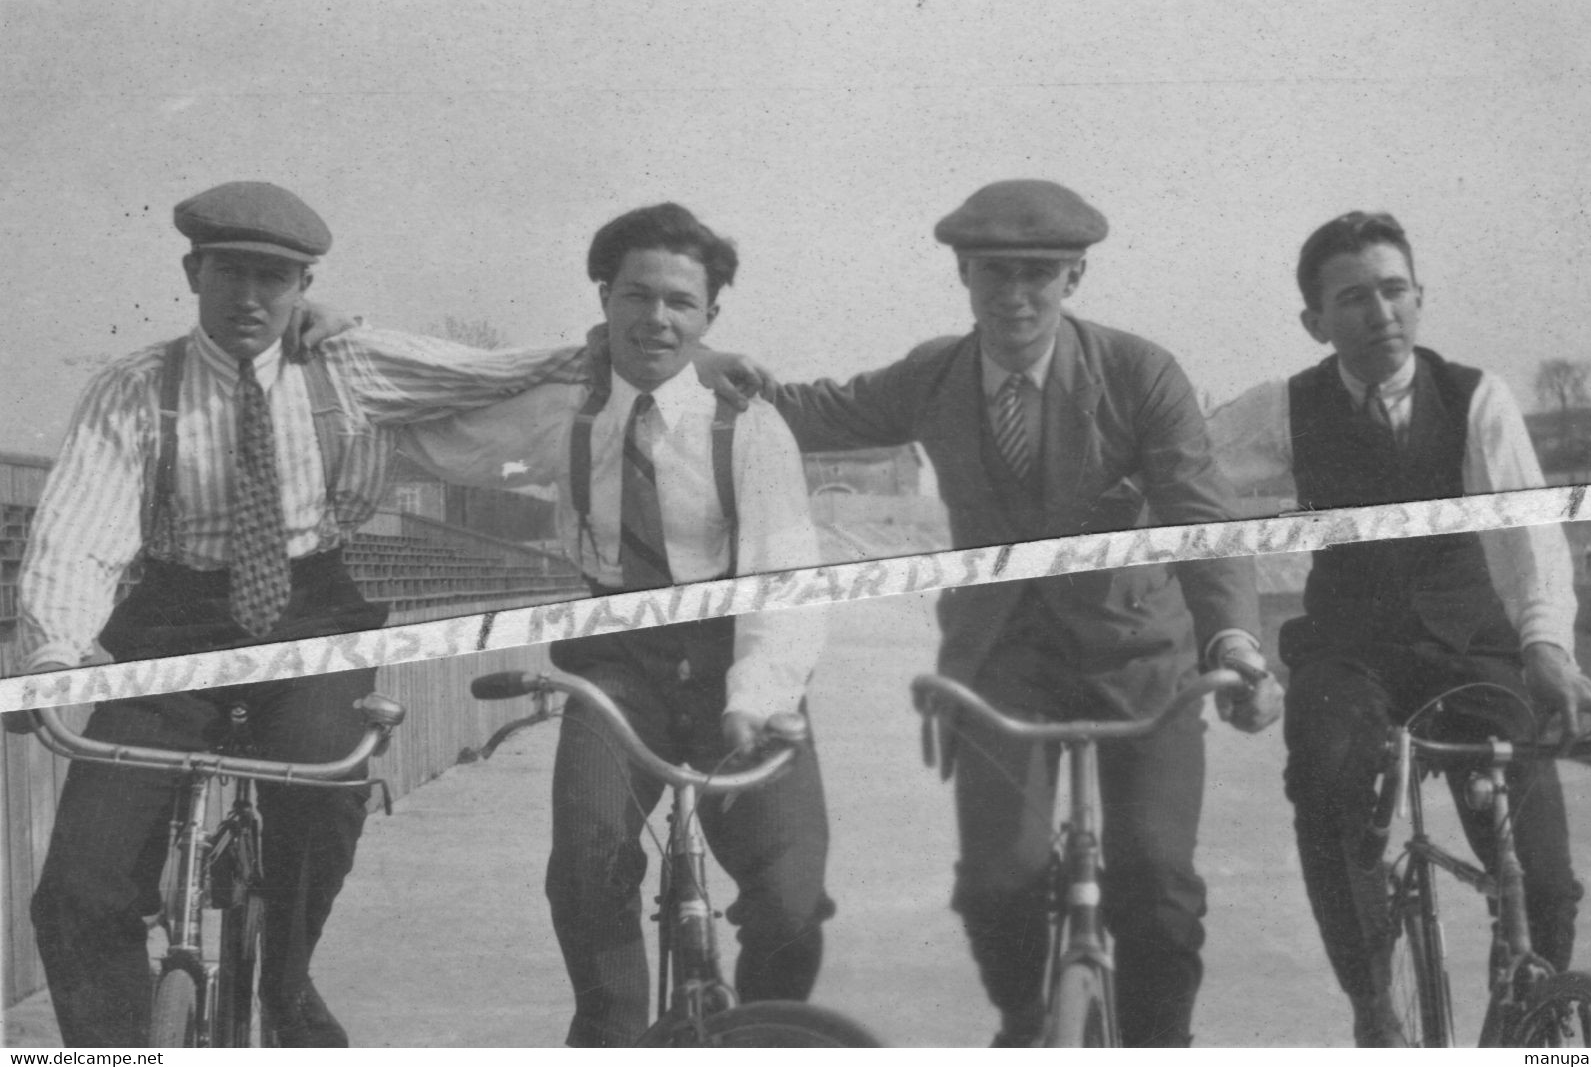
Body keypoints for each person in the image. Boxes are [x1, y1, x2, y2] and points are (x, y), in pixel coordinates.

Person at [14, 181, 592, 1047]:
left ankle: (284, 984)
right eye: (232, 273)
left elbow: (502, 370)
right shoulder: (136, 388)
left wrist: (653, 358)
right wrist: (57, 655)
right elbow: (81, 533)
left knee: (328, 787)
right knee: (79, 889)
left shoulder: (347, 363)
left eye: (275, 279)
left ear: (304, 285)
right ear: (192, 271)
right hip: (175, 627)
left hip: (312, 616)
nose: (251, 298)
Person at [712, 180, 1283, 1047]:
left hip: (1137, 662)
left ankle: (1162, 1047)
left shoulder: (1138, 373)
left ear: (1075, 276)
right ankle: (1026, 1020)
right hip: (998, 667)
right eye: (992, 275)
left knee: (1157, 887)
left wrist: (1234, 642)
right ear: (963, 276)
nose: (1015, 296)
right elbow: (813, 413)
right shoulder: (936, 375)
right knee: (995, 883)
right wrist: (718, 371)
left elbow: (1199, 517)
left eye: (1038, 275)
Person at [380, 203, 832, 1047]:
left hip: (740, 656)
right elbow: (445, 439)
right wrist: (342, 378)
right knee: (586, 863)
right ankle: (613, 1035)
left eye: (679, 302)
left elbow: (786, 580)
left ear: (709, 318)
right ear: (603, 299)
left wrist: (757, 696)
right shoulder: (565, 415)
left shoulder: (750, 425)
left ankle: (766, 1036)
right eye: (635, 295)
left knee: (790, 895)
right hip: (616, 666)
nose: (655, 318)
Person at [1208, 210, 1591, 1046]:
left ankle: (1527, 1030)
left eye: (1394, 290)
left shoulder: (1476, 399)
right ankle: (1376, 1011)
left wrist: (1543, 644)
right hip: (1348, 652)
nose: (1380, 312)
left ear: (1420, 298)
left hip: (1469, 647)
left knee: (1540, 875)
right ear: (1314, 322)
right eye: (1353, 297)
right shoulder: (1286, 407)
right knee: (1325, 779)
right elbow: (1187, 469)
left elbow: (1528, 531)